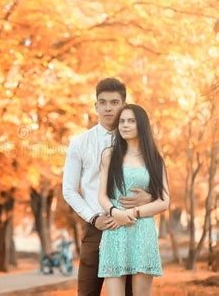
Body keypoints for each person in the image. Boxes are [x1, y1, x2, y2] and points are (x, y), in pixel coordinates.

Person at [62, 78, 152, 296]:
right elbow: (69, 190)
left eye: (114, 102)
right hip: (97, 228)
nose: (108, 108)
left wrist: (148, 198)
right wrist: (94, 218)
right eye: (103, 102)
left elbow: (155, 184)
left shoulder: (141, 144)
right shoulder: (81, 142)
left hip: (132, 227)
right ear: (96, 106)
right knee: (87, 291)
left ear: (124, 104)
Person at [98, 104, 169, 296]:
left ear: (142, 125)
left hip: (143, 230)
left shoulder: (154, 159)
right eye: (122, 121)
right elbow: (102, 196)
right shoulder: (109, 155)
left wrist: (132, 212)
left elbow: (164, 201)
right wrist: (116, 213)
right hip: (115, 229)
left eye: (131, 121)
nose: (125, 125)